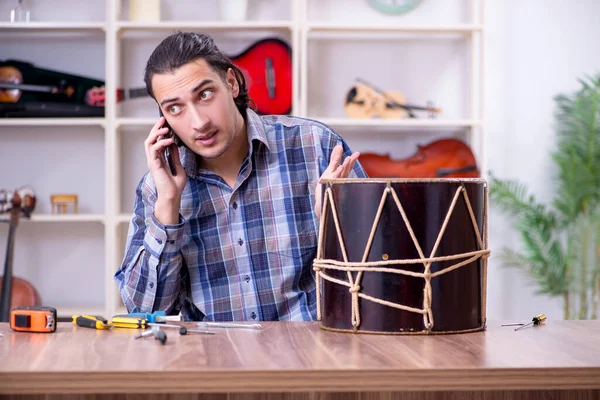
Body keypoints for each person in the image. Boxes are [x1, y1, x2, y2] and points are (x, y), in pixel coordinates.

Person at [114, 31, 367, 322]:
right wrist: (168, 207)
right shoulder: (158, 188)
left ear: (231, 83)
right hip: (215, 362)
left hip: (313, 358)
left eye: (205, 94)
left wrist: (333, 226)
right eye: (175, 108)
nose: (199, 123)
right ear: (163, 119)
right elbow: (144, 311)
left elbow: (380, 275)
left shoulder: (316, 146)